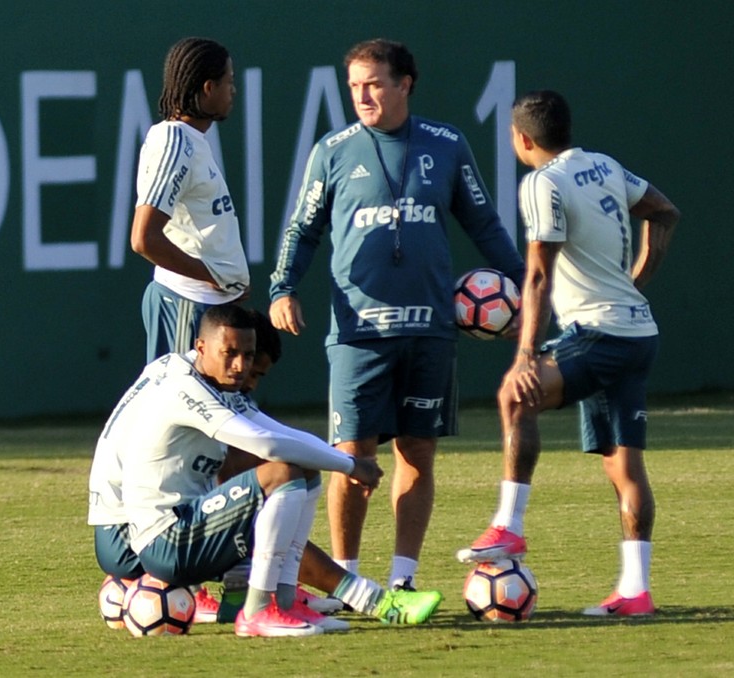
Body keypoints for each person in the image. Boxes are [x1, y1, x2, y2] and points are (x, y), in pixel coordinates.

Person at [268, 38, 525, 591]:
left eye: (374, 84)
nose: (362, 96)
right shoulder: (332, 151)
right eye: (354, 86)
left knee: (418, 452)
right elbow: (302, 229)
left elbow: (484, 224)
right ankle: (348, 582)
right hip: (358, 333)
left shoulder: (446, 144)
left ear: (405, 84)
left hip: (430, 330)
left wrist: (524, 291)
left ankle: (403, 579)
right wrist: (282, 288)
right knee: (351, 459)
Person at [456, 90, 681, 617]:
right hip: (637, 334)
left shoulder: (542, 183)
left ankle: (509, 526)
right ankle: (635, 591)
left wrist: (526, 354)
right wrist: (636, 281)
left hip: (600, 333)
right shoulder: (603, 165)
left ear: (522, 138)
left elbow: (537, 274)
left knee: (516, 395)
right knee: (624, 466)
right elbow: (665, 211)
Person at [88, 305, 441, 638]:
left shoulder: (199, 376)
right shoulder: (186, 389)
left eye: (248, 356)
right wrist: (349, 464)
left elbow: (280, 433)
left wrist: (339, 460)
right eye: (230, 354)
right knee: (279, 475)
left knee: (301, 469)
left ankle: (282, 601)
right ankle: (260, 608)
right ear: (202, 346)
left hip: (160, 525)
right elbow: (266, 444)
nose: (241, 367)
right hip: (153, 539)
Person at [130, 37, 249, 363]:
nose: (233, 90)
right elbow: (144, 238)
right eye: (229, 81)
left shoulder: (192, 140)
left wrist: (231, 279)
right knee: (182, 397)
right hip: (186, 303)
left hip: (208, 305)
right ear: (209, 88)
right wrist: (214, 276)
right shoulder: (174, 142)